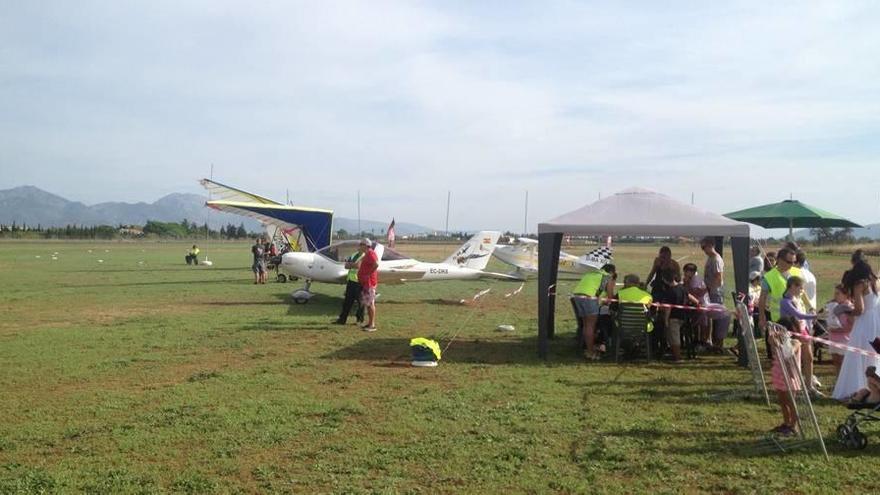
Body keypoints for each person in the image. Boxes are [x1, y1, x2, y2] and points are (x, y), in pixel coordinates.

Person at [832, 255, 880, 401]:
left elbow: (859, 309)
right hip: (876, 320)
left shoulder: (860, 284)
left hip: (864, 321)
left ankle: (855, 387)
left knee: (857, 353)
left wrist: (846, 311)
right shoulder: (875, 282)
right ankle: (874, 386)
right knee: (872, 353)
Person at [779, 276, 820, 396]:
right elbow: (798, 315)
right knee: (794, 362)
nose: (801, 290)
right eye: (800, 287)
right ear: (792, 286)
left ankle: (809, 386)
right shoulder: (785, 302)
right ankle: (792, 387)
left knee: (809, 358)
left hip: (803, 331)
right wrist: (815, 316)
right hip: (793, 333)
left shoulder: (797, 299)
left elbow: (802, 315)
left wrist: (809, 323)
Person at [758, 247, 802, 355]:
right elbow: (762, 298)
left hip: (796, 320)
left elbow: (802, 295)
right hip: (779, 321)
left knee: (796, 351)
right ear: (780, 260)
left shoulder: (797, 272)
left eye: (794, 261)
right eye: (789, 262)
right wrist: (762, 317)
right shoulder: (769, 277)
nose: (792, 264)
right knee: (780, 352)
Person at [573, 264, 617, 360]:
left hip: (577, 297)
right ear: (612, 272)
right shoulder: (607, 277)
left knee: (586, 325)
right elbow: (610, 296)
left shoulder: (591, 273)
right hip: (589, 298)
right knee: (591, 326)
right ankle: (590, 352)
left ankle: (588, 348)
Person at [769, 316, 803, 437]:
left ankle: (794, 426)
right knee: (782, 401)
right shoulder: (780, 341)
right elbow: (774, 351)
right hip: (779, 374)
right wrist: (773, 342)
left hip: (790, 377)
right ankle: (786, 422)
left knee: (791, 402)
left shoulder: (796, 342)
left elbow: (789, 352)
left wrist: (782, 343)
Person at [658, 269, 700, 362]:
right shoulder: (682, 288)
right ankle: (674, 353)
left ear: (664, 280)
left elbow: (668, 308)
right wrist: (697, 303)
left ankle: (678, 357)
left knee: (674, 337)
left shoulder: (669, 292)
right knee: (674, 336)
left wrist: (666, 321)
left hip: (674, 318)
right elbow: (690, 296)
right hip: (684, 316)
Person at [700, 237, 729, 353]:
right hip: (710, 292)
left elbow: (718, 278)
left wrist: (708, 288)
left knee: (718, 318)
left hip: (715, 293)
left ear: (711, 245)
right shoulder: (710, 258)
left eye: (704, 247)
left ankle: (718, 345)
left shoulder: (716, 259)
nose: (703, 250)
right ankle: (710, 341)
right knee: (710, 317)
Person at [825, 284, 855, 376]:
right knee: (836, 363)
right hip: (833, 339)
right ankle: (838, 385)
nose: (835, 296)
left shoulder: (850, 308)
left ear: (846, 295)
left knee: (844, 365)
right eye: (835, 293)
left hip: (844, 341)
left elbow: (852, 327)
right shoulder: (833, 306)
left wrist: (837, 330)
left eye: (838, 294)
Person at [333, 248, 365, 325]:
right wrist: (352, 264)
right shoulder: (354, 255)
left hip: (359, 282)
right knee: (347, 302)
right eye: (360, 245)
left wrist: (351, 264)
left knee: (360, 302)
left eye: (362, 245)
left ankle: (360, 320)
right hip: (351, 281)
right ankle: (342, 320)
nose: (360, 247)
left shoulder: (365, 256)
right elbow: (346, 266)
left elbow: (358, 266)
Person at [683, 263, 709, 348]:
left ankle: (702, 341)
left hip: (701, 304)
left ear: (691, 272)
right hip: (696, 304)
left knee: (702, 323)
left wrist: (686, 284)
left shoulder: (696, 280)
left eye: (686, 272)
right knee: (696, 322)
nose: (684, 274)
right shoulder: (691, 279)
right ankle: (696, 339)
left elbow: (695, 293)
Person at [357, 238, 380, 332]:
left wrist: (368, 274)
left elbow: (376, 264)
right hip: (366, 283)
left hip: (369, 283)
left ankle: (372, 325)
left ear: (366, 245)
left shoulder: (370, 253)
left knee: (370, 304)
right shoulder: (367, 254)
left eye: (361, 244)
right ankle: (370, 323)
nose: (359, 246)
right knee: (368, 303)